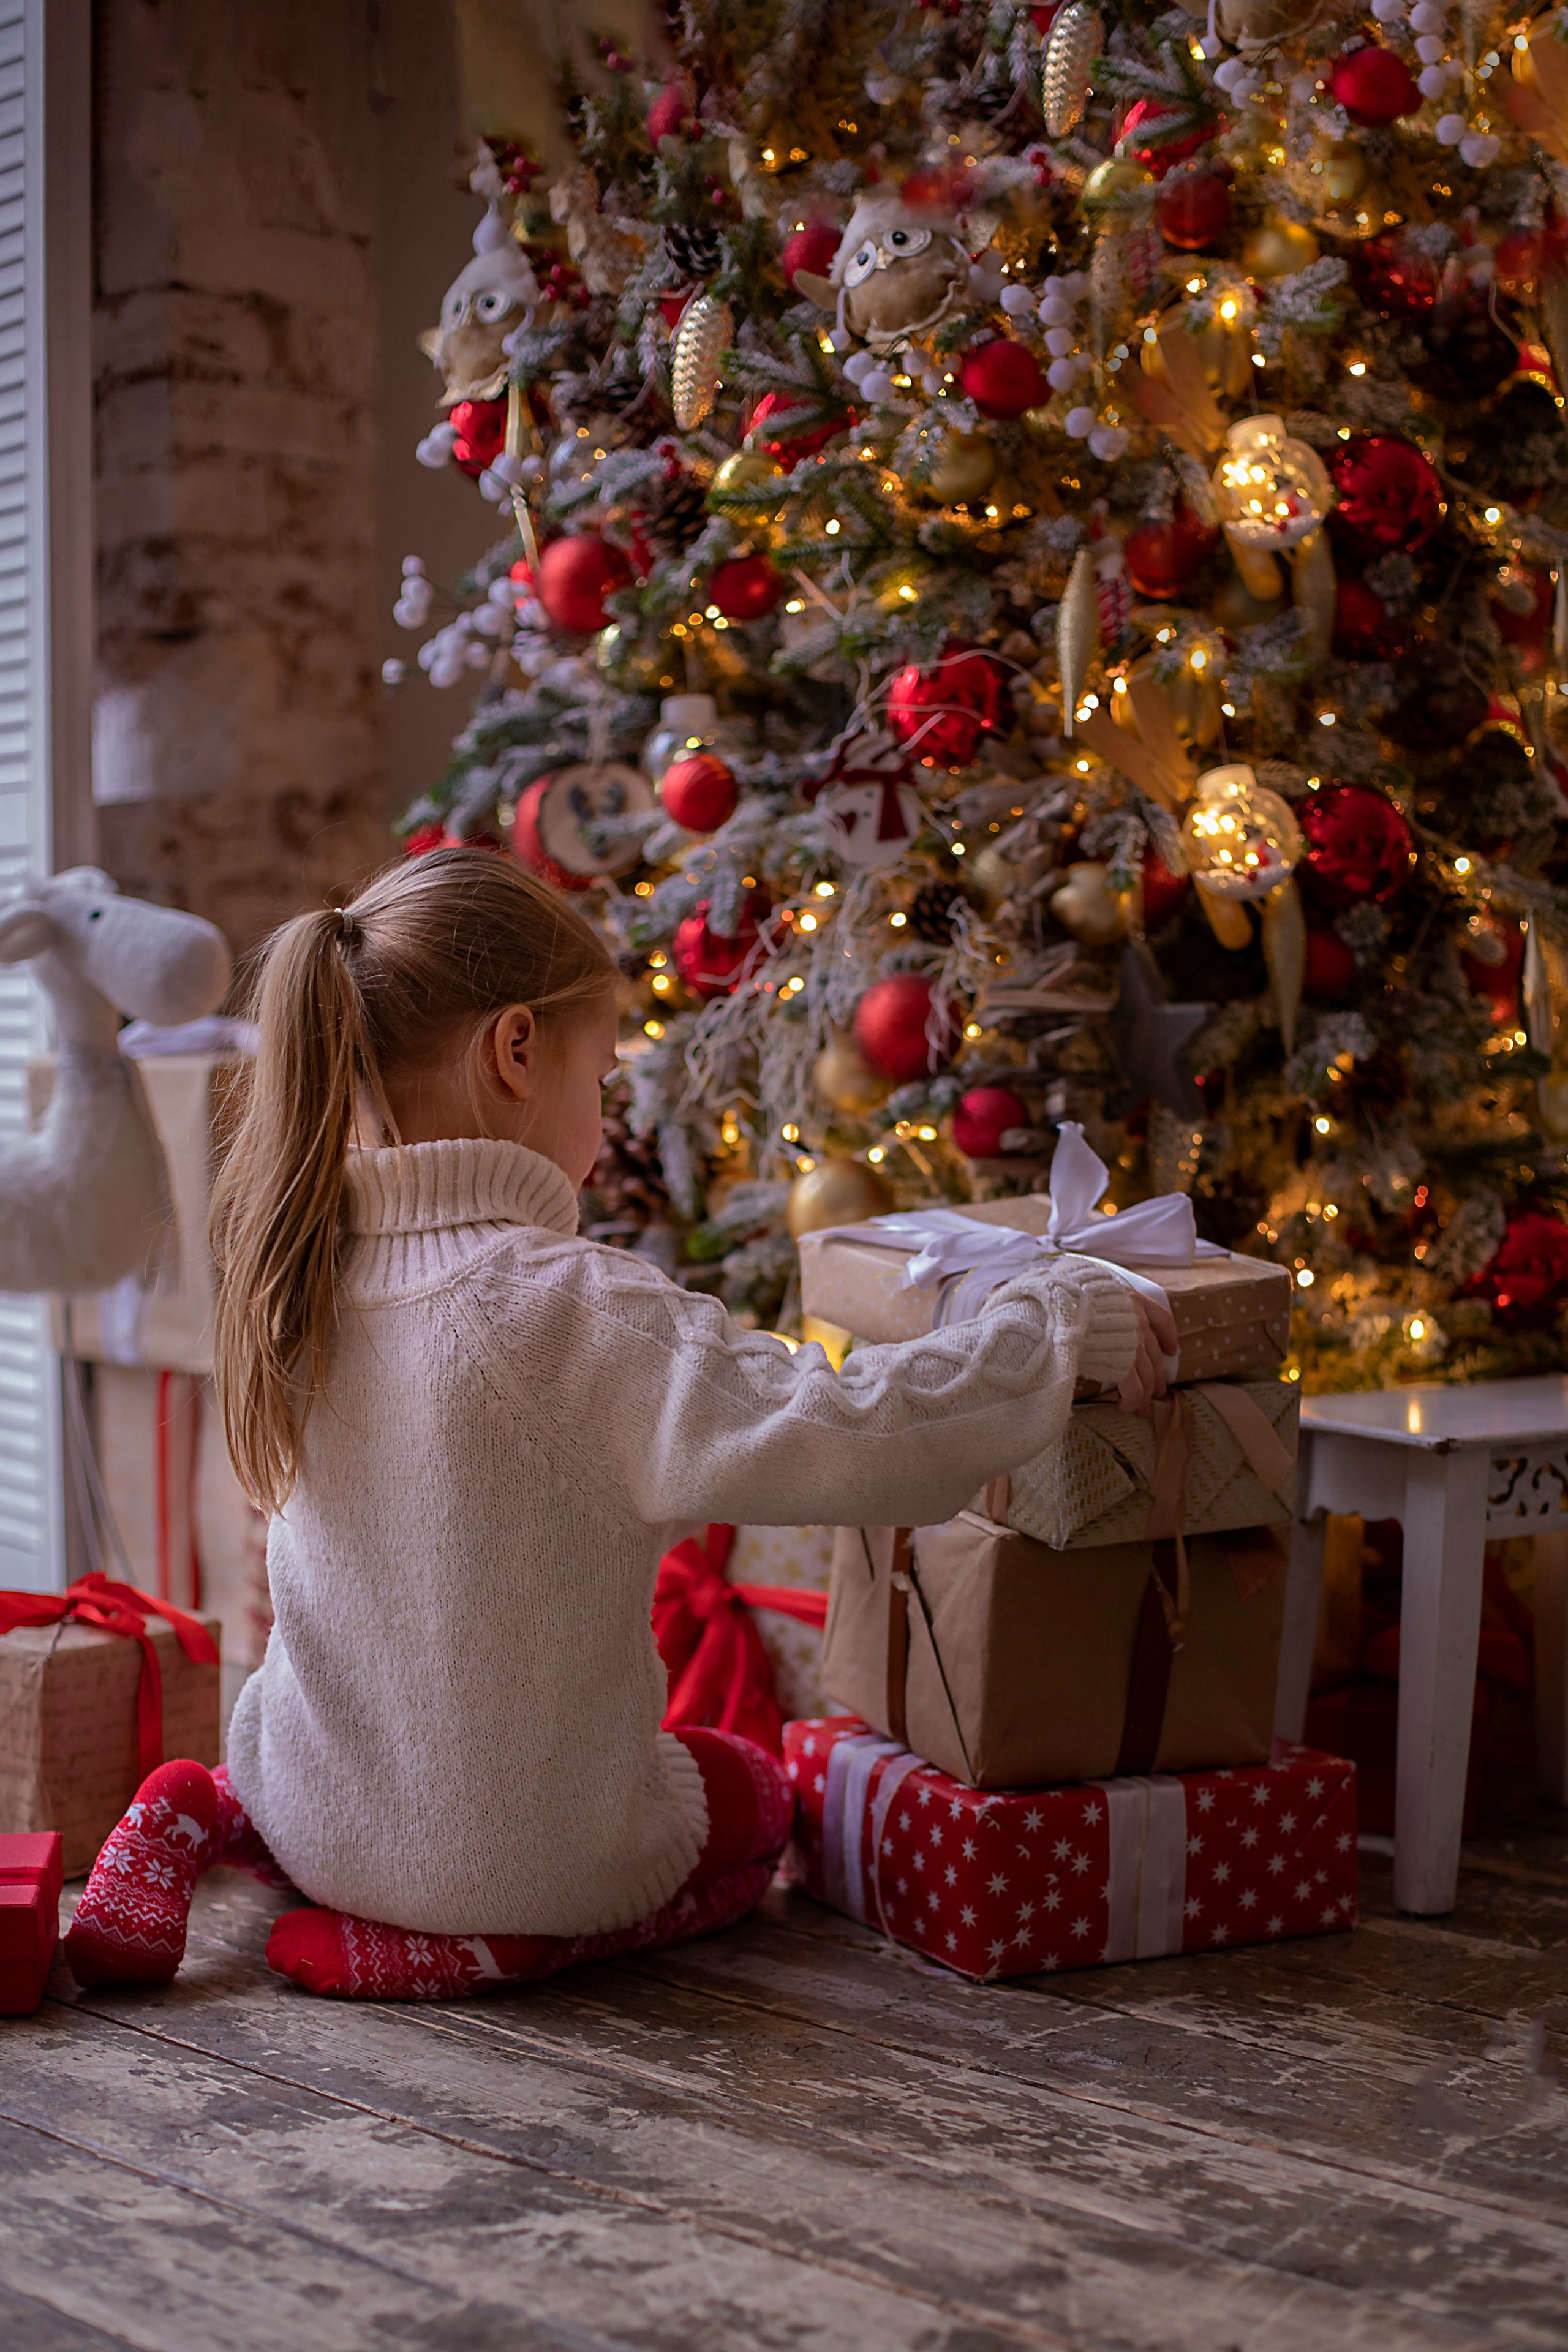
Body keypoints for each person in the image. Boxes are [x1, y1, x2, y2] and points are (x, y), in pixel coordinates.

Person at [62, 846, 1175, 2002]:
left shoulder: (299, 1278)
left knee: (337, 1732)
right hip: (518, 1867)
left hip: (313, 1811)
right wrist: (1052, 1324)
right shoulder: (568, 1306)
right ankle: (469, 1946)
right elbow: (853, 1428)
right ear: (516, 1052)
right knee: (753, 1798)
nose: (604, 1114)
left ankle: (195, 1807)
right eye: (602, 1076)